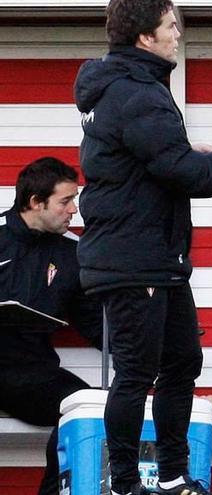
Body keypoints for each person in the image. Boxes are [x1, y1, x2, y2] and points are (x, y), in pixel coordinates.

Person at [73, 1, 212, 494]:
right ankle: (122, 484)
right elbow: (183, 174)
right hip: (134, 259)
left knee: (183, 361)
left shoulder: (130, 87)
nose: (178, 35)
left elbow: (156, 158)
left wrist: (193, 151)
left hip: (157, 259)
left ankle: (169, 476)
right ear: (145, 36)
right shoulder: (135, 92)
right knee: (136, 373)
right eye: (171, 26)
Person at [0, 157, 102, 495]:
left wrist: (146, 342)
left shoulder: (73, 252)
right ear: (35, 202)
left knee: (91, 406)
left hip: (31, 375)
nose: (74, 209)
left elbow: (90, 321)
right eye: (65, 201)